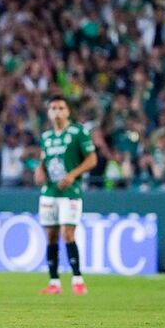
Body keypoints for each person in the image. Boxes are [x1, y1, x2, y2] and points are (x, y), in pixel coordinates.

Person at [34, 95, 97, 295]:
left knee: (68, 233)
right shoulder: (46, 137)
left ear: (68, 111)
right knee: (50, 236)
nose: (57, 111)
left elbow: (92, 159)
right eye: (53, 108)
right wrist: (39, 171)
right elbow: (43, 162)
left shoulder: (78, 132)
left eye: (61, 107)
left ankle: (78, 280)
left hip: (70, 191)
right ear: (49, 112)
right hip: (49, 192)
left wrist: (73, 175)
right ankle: (54, 283)